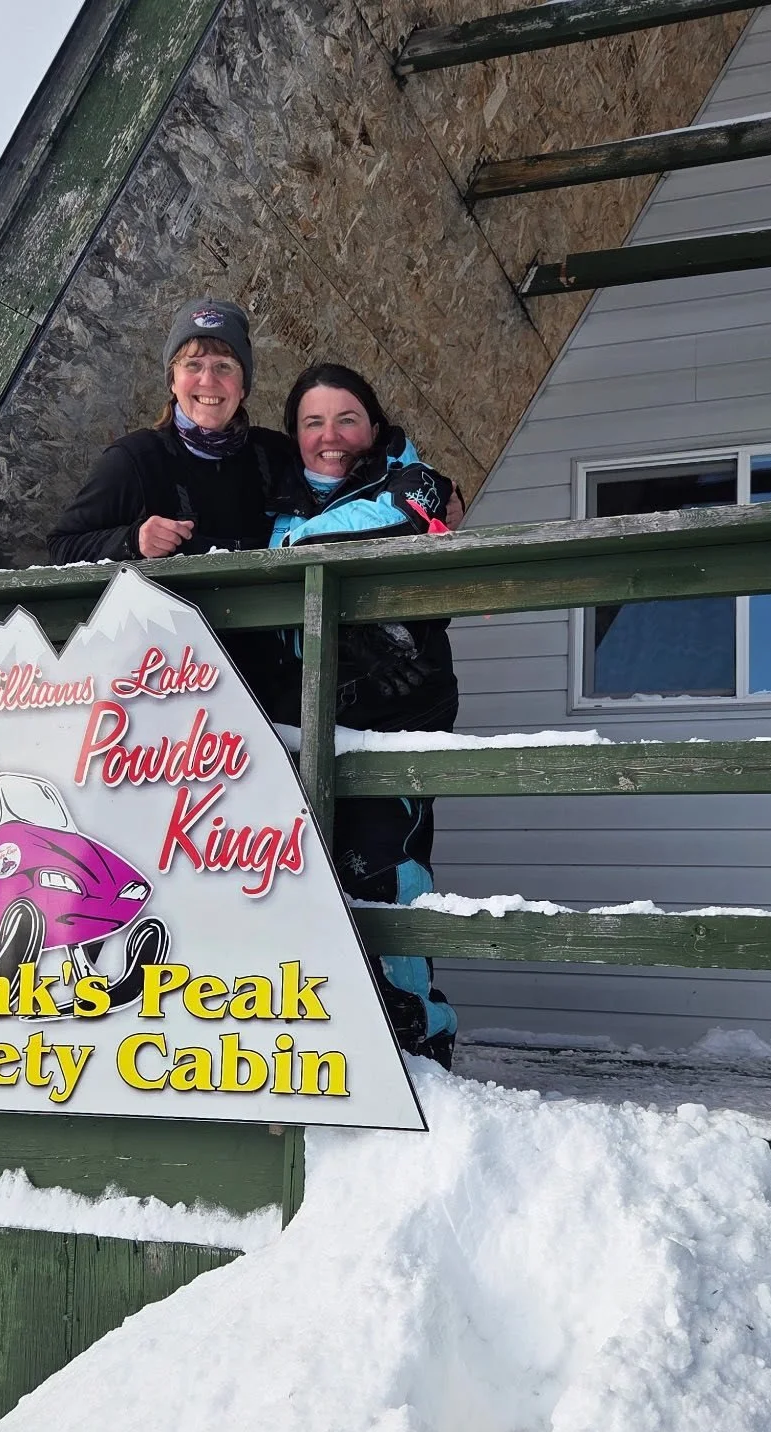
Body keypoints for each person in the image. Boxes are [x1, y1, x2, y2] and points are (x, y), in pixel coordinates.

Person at [270, 363, 463, 1067]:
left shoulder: (409, 478)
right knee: (297, 882)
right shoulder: (276, 499)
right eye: (312, 422)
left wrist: (290, 551)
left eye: (346, 418)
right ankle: (333, 1044)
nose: (330, 437)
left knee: (385, 872)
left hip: (395, 710)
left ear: (374, 426)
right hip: (301, 719)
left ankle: (421, 1042)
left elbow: (410, 512)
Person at [47, 298, 299, 701]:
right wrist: (133, 541)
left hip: (276, 682)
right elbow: (62, 547)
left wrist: (431, 500)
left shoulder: (276, 455)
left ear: (244, 383)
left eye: (224, 367)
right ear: (172, 379)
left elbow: (340, 492)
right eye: (192, 365)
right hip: (170, 690)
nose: (208, 381)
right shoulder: (136, 459)